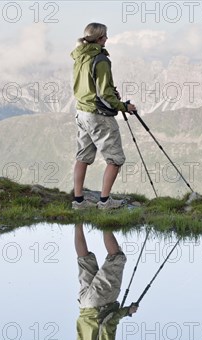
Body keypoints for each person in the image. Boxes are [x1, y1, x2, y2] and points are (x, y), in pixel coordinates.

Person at [70, 22, 137, 210]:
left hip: (82, 112)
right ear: (99, 39)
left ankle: (79, 201)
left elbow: (91, 86)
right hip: (98, 115)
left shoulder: (80, 56)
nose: (107, 38)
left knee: (82, 156)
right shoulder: (101, 60)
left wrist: (109, 94)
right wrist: (124, 106)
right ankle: (105, 202)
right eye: (105, 36)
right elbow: (104, 94)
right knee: (115, 159)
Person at [74, 223, 138, 340]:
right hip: (84, 306)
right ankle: (78, 221)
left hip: (100, 302)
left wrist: (127, 311)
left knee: (116, 257)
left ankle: (105, 221)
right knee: (84, 259)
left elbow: (108, 325)